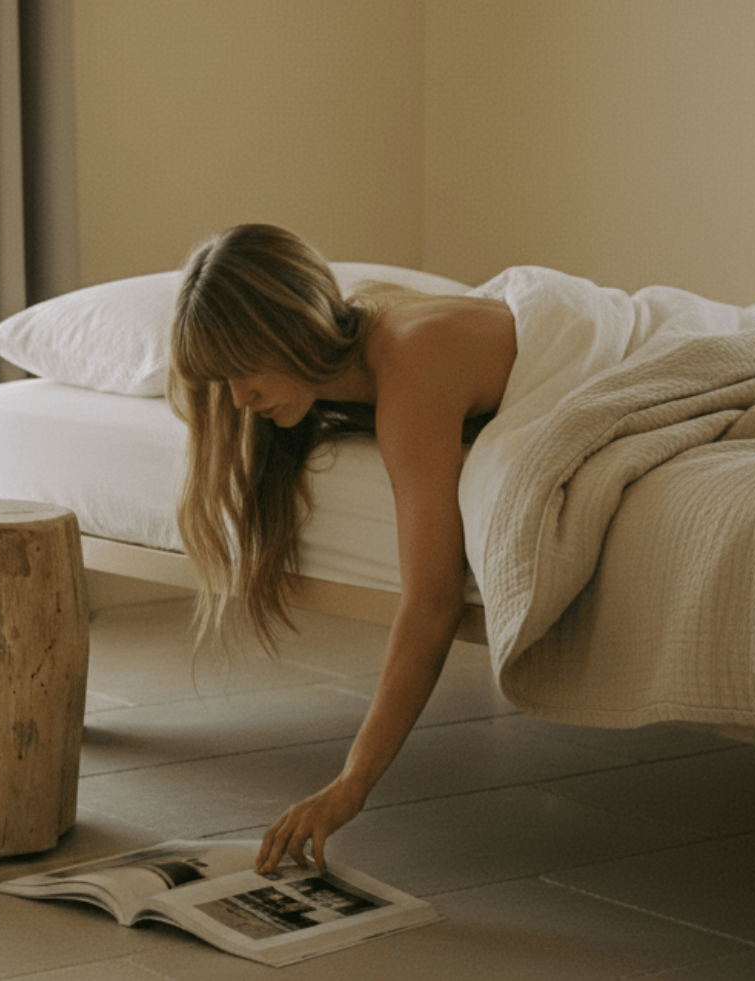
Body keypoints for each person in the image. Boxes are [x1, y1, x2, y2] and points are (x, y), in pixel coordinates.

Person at [166, 223, 517, 876]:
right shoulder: (361, 355)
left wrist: (351, 782)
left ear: (294, 327)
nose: (239, 399)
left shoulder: (412, 360)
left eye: (246, 367)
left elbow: (433, 600)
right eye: (224, 379)